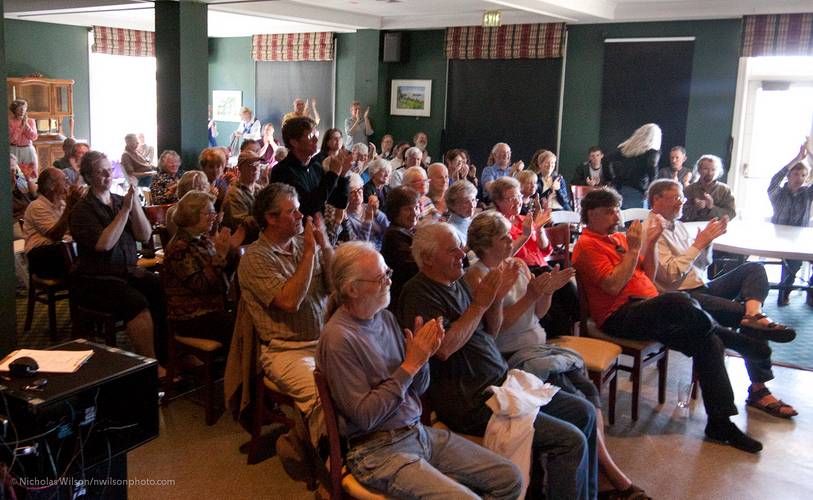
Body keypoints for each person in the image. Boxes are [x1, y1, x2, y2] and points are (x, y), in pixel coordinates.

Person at [397, 223, 597, 500]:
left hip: (501, 380)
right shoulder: (419, 293)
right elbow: (442, 350)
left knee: (584, 412)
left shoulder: (457, 282)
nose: (462, 253)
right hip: (472, 399)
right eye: (452, 250)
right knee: (569, 440)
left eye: (460, 246)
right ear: (428, 258)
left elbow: (491, 331)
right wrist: (480, 304)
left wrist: (495, 300)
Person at [316, 241, 523, 499]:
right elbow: (365, 417)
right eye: (381, 278)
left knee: (509, 477)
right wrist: (410, 365)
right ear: (352, 289)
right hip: (375, 450)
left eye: (388, 274)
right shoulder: (339, 338)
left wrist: (423, 358)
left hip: (415, 432)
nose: (390, 282)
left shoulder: (385, 318)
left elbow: (418, 388)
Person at [466, 211, 649, 499]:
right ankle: (609, 475)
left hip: (538, 344)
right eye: (504, 237)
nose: (510, 240)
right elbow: (495, 331)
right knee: (576, 401)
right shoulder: (477, 276)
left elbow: (537, 314)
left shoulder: (516, 264)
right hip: (512, 353)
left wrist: (545, 293)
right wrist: (529, 296)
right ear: (487, 244)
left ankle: (598, 474)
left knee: (587, 390)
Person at [573, 188, 769, 453]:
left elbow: (649, 274)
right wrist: (632, 251)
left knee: (707, 341)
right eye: (609, 211)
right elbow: (612, 286)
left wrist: (650, 244)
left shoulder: (619, 237)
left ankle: (720, 422)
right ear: (590, 215)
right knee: (678, 300)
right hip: (618, 316)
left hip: (646, 308)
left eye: (617, 209)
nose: (616, 215)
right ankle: (736, 340)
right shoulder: (586, 246)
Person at [648, 179, 798, 419]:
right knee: (742, 316)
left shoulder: (678, 225)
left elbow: (703, 264)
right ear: (657, 199)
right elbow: (670, 276)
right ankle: (759, 389)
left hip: (702, 285)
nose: (682, 202)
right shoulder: (652, 229)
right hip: (682, 296)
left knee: (754, 269)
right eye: (676, 197)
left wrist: (705, 244)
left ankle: (754, 314)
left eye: (681, 198)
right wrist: (698, 243)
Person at [238, 182, 333, 445]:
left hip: (324, 343)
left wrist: (325, 247)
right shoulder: (256, 258)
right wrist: (311, 253)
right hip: (286, 351)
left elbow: (336, 288)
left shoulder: (304, 244)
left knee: (364, 380)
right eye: (292, 212)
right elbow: (290, 301)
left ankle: (305, 442)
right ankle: (329, 466)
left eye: (299, 210)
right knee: (323, 398)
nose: (301, 217)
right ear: (270, 218)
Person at [68, 151, 167, 371]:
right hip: (96, 280)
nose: (107, 175)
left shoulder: (118, 201)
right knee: (136, 302)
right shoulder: (82, 211)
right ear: (88, 176)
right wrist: (124, 211)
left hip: (126, 272)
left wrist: (135, 205)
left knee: (160, 288)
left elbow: (143, 235)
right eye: (100, 172)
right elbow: (104, 244)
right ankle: (151, 364)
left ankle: (168, 354)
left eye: (108, 170)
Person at [161, 190, 233, 346]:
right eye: (209, 214)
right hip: (189, 316)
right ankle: (231, 368)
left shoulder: (202, 240)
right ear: (192, 215)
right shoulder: (179, 248)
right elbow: (200, 285)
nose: (213, 218)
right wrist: (220, 256)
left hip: (210, 308)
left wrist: (229, 254)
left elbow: (219, 276)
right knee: (236, 327)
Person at [270, 116, 351, 217]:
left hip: (317, 229)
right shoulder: (282, 171)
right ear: (294, 142)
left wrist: (342, 175)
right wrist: (333, 174)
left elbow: (340, 202)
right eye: (310, 136)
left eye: (316, 134)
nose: (316, 139)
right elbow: (308, 207)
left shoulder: (316, 167)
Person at [768, 142, 813, 306]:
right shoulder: (778, 193)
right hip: (778, 236)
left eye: (802, 175)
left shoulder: (807, 194)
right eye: (795, 174)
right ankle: (783, 290)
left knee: (796, 262)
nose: (798, 178)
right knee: (789, 263)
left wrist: (810, 157)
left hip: (799, 238)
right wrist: (795, 160)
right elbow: (774, 180)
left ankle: (794, 291)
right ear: (789, 176)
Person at [23, 168, 81, 279]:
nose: (67, 183)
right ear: (52, 186)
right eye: (64, 180)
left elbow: (77, 228)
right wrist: (70, 207)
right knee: (75, 253)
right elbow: (55, 236)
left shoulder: (63, 204)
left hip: (63, 249)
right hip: (42, 255)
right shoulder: (37, 206)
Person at [380, 187, 421, 312]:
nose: (414, 213)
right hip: (402, 303)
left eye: (416, 207)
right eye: (408, 209)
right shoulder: (393, 236)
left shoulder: (408, 231)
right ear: (395, 211)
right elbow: (414, 268)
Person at [603, 123, 661, 209]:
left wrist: (610, 179)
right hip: (638, 191)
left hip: (619, 189)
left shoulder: (625, 148)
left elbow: (605, 160)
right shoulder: (652, 152)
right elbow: (653, 171)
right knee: (638, 220)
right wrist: (650, 189)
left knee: (619, 219)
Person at [333, 173, 389, 250]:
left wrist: (377, 212)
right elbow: (360, 245)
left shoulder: (368, 206)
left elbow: (387, 229)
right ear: (345, 195)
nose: (357, 194)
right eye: (352, 192)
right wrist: (368, 220)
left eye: (360, 190)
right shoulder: (345, 217)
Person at [681, 154, 736, 222]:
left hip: (716, 228)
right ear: (699, 170)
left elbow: (731, 214)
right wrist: (696, 208)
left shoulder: (725, 190)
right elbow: (680, 213)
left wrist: (711, 207)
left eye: (713, 170)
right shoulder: (689, 190)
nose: (709, 173)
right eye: (705, 169)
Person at [221, 151, 260, 234]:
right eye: (252, 165)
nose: (256, 168)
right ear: (240, 168)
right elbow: (243, 224)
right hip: (241, 242)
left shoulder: (259, 189)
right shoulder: (234, 193)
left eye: (258, 164)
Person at [165, 171, 211, 237]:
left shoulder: (206, 209)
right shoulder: (174, 212)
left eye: (204, 186)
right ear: (185, 189)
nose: (202, 190)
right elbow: (187, 239)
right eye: (197, 186)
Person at [8, 99, 39, 179]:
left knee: (32, 173)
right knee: (15, 173)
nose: (22, 110)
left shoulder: (31, 121)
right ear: (14, 109)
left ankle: (32, 189)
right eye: (20, 108)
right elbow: (12, 139)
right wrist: (21, 127)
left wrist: (26, 126)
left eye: (24, 108)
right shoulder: (10, 122)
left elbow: (34, 137)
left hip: (28, 149)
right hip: (14, 149)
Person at [444, 180, 478, 245]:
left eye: (473, 200)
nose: (472, 206)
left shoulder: (473, 221)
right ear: (453, 205)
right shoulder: (451, 231)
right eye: (466, 202)